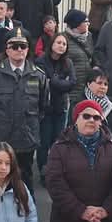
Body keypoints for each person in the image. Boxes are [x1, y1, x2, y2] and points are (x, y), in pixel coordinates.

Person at [0, 28, 48, 193]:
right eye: (14, 46)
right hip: (0, 138)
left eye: (23, 46)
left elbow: (43, 106)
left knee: (25, 182)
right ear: (7, 50)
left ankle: (26, 208)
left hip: (26, 139)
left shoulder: (38, 76)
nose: (19, 50)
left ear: (28, 49)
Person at [39, 33, 76, 165]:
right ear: (52, 44)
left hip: (61, 107)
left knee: (58, 142)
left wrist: (54, 80)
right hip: (46, 108)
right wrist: (61, 82)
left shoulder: (68, 62)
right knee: (44, 142)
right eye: (59, 43)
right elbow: (43, 83)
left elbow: (72, 83)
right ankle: (43, 169)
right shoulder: (41, 61)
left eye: (64, 44)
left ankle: (56, 168)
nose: (61, 46)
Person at [74, 68, 112, 138]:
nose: (103, 87)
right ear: (89, 84)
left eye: (105, 84)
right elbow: (73, 127)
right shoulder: (78, 103)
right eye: (99, 83)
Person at [62, 9, 96, 88]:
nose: (88, 23)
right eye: (85, 21)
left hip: (87, 86)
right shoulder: (63, 39)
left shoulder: (89, 37)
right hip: (71, 85)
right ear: (77, 24)